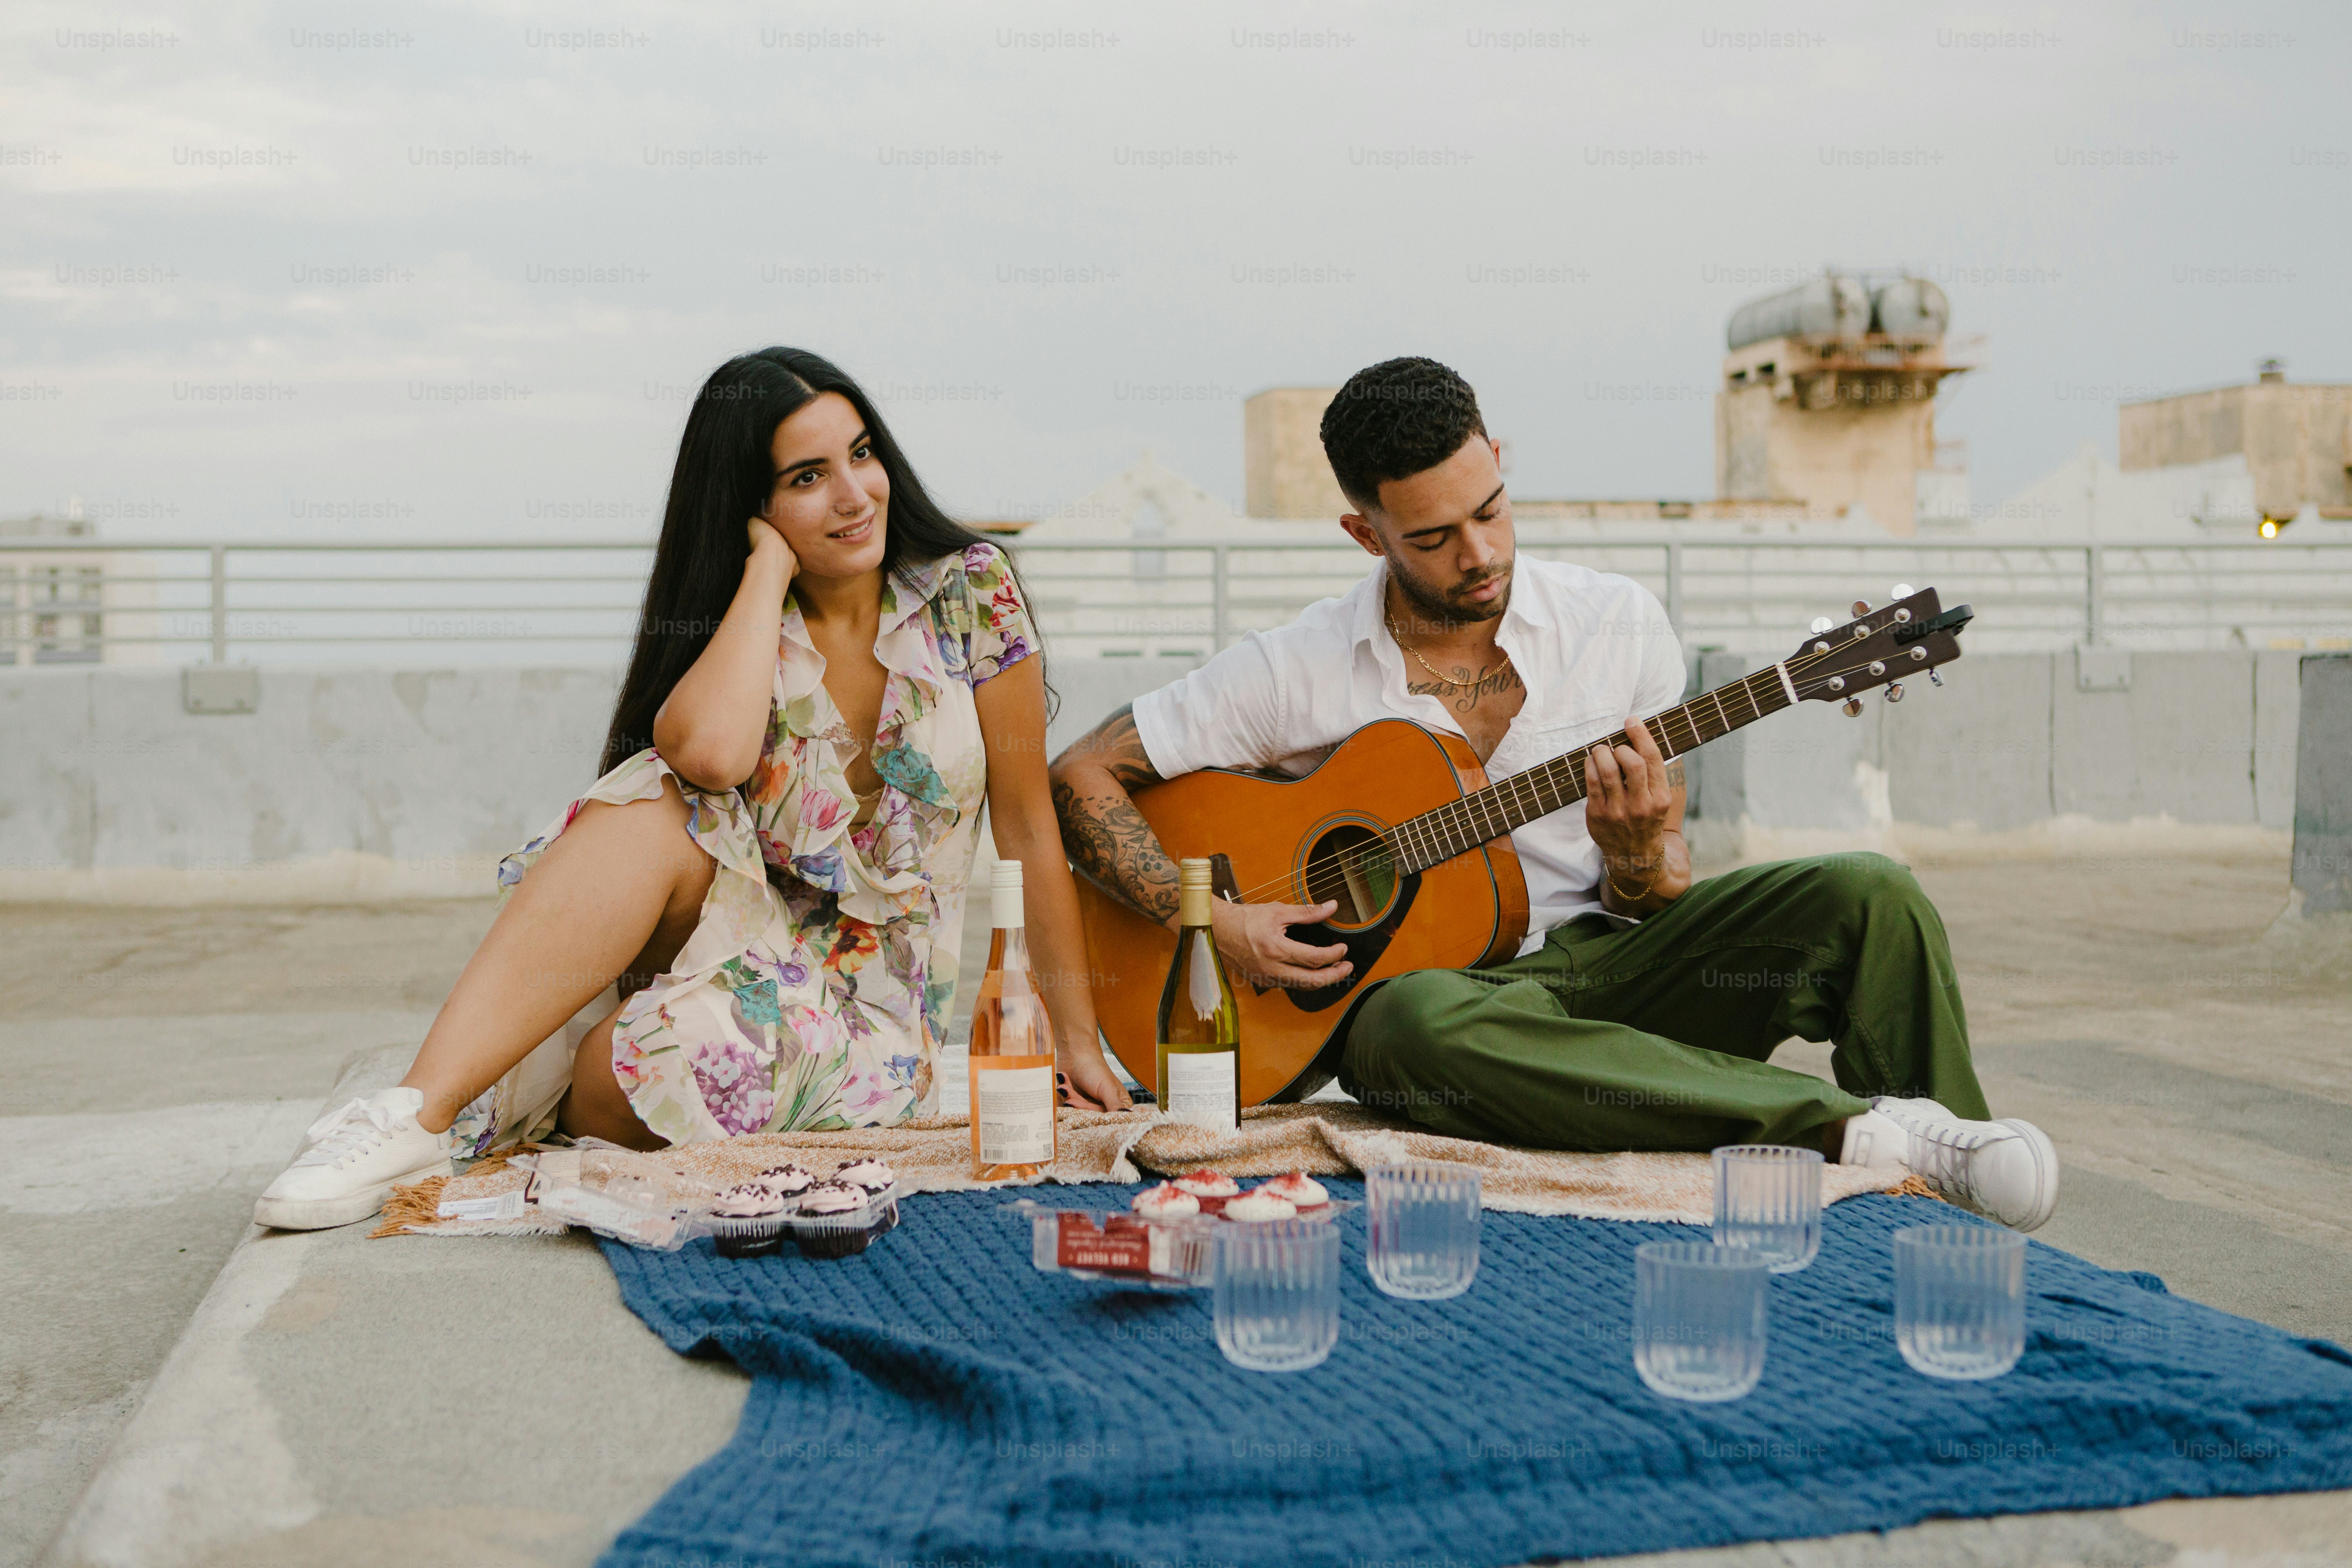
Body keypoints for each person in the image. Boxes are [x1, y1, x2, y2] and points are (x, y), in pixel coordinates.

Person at [1048, 356, 2058, 1230]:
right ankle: (1865, 1134)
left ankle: (1956, 1176)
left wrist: (1633, 859)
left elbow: (1659, 892)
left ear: (1500, 458)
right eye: (1434, 537)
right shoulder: (1292, 668)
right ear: (1367, 536)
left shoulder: (1617, 623)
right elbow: (1081, 774)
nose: (1479, 553)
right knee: (1406, 1024)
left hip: (1617, 977)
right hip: (1464, 1019)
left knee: (1871, 894)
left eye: (1489, 511)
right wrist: (1217, 923)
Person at [256, 348, 1131, 1231]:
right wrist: (764, 574)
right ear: (752, 505)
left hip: (874, 1008)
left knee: (635, 1061)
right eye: (806, 476)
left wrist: (1079, 1043)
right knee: (651, 796)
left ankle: (563, 1081)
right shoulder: (750, 624)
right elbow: (707, 757)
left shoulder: (970, 591)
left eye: (862, 454)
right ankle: (411, 1117)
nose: (855, 495)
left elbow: (1026, 827)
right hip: (736, 940)